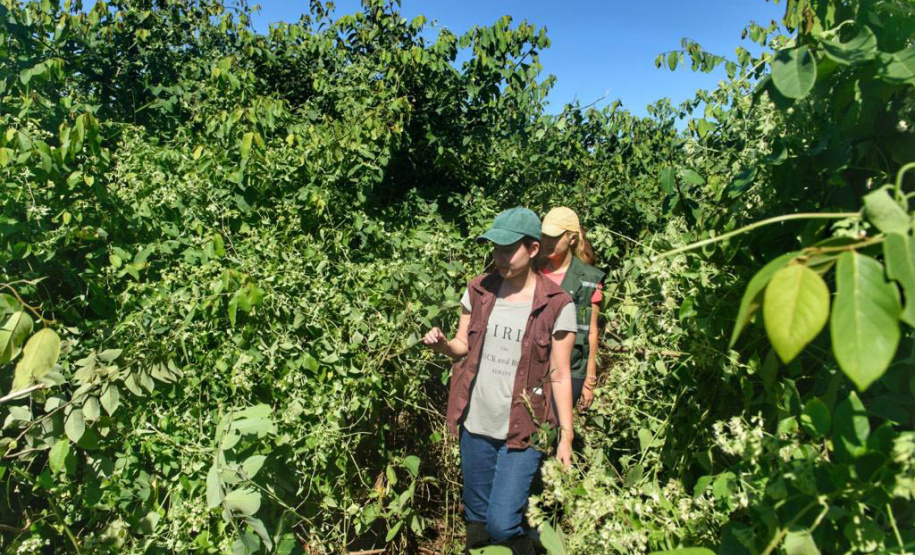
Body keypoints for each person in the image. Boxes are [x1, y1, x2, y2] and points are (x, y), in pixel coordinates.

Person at [422, 207, 577, 555]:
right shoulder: (479, 290)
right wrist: (443, 345)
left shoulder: (557, 304)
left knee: (503, 521)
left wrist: (566, 435)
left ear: (533, 249)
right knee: (476, 518)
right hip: (476, 424)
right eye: (496, 248)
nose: (500, 257)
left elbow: (561, 374)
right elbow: (463, 346)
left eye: (509, 249)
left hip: (522, 431)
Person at [539, 207, 605, 410]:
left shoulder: (589, 279)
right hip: (533, 363)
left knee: (554, 429)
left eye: (554, 237)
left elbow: (591, 330)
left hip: (571, 368)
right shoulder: (532, 272)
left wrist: (590, 380)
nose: (547, 242)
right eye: (544, 236)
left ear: (572, 239)